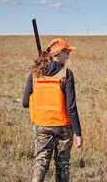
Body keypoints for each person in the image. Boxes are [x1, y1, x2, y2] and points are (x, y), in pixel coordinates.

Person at [23, 38, 83, 182]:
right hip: (63, 127)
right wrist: (78, 133)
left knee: (41, 161)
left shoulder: (35, 74)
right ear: (59, 52)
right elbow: (71, 107)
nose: (68, 56)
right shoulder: (66, 73)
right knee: (62, 164)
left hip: (41, 125)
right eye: (67, 52)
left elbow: (25, 102)